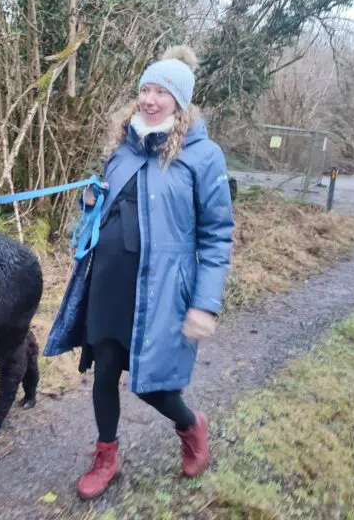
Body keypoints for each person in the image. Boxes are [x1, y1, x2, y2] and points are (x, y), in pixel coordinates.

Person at [43, 45, 235, 500]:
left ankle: (190, 426)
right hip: (109, 284)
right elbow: (108, 207)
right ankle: (106, 454)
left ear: (180, 102)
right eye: (145, 89)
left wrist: (205, 303)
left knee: (151, 383)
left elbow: (217, 235)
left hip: (162, 292)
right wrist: (90, 204)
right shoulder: (123, 149)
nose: (149, 99)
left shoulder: (203, 157)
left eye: (162, 92)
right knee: (105, 370)